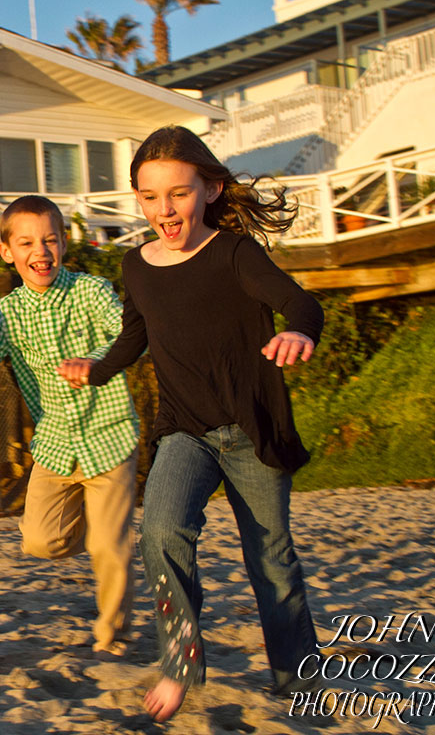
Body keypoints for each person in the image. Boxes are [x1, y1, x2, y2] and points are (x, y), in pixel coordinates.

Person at [58, 125, 323, 722]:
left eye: (178, 193)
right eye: (150, 197)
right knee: (160, 534)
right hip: (185, 430)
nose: (164, 209)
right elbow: (136, 335)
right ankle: (181, 661)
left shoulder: (234, 253)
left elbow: (301, 302)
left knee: (271, 561)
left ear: (209, 189)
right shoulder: (137, 266)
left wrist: (298, 331)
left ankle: (294, 677)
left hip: (251, 431)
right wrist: (98, 370)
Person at [0, 195, 139, 659]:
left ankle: (111, 633)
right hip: (56, 443)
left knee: (109, 548)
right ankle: (107, 534)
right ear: (7, 251)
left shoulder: (92, 293)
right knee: (39, 541)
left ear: (63, 244)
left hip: (109, 432)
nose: (39, 251)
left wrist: (96, 363)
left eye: (49, 240)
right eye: (26, 243)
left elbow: (130, 337)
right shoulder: (6, 315)